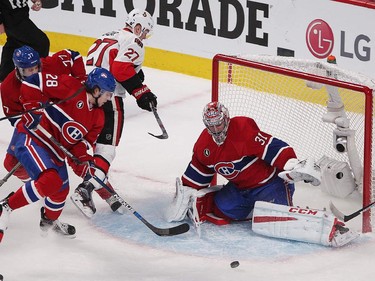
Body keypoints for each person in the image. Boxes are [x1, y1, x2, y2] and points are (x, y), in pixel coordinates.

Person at [165, 101, 359, 247]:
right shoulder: (203, 146)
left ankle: (331, 227)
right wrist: (185, 193)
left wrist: (291, 165)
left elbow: (273, 147)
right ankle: (255, 210)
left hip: (270, 184)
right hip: (239, 189)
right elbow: (198, 173)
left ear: (226, 119)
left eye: (219, 124)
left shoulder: (242, 129)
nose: (216, 130)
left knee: (279, 220)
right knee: (221, 209)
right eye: (211, 125)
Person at [0, 67, 115, 242]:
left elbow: (82, 145)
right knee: (50, 181)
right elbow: (34, 81)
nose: (109, 98)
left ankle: (48, 222)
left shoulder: (98, 117)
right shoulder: (71, 87)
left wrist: (84, 162)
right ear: (97, 90)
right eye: (108, 94)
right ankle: (5, 207)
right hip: (34, 137)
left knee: (60, 192)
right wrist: (32, 108)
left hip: (56, 152)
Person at [70, 8, 158, 218]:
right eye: (144, 31)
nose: (144, 36)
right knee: (105, 151)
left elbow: (104, 64)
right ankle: (85, 189)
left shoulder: (105, 36)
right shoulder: (135, 41)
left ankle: (108, 194)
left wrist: (135, 74)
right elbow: (119, 70)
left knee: (82, 148)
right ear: (137, 27)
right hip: (109, 99)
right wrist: (141, 92)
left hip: (86, 97)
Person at [0, 45, 86, 183]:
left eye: (36, 67)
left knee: (78, 156)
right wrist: (30, 123)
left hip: (63, 117)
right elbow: (15, 117)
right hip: (37, 126)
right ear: (19, 69)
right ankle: (35, 183)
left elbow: (73, 56)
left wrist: (81, 81)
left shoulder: (48, 65)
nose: (35, 72)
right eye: (29, 70)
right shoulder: (7, 88)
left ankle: (94, 186)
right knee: (10, 163)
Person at [0, 0, 50, 82]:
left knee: (15, 42)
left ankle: (5, 76)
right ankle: (39, 77)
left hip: (21, 15)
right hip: (10, 17)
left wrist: (36, 1)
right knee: (41, 42)